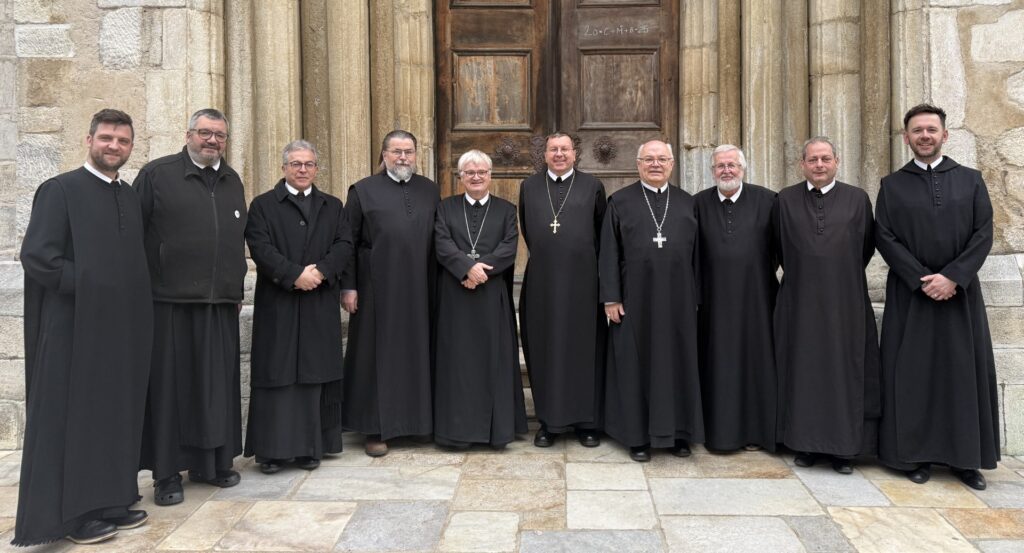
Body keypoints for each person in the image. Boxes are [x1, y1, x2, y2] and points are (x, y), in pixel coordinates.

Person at [14, 109, 151, 545]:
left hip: (118, 332)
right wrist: (93, 288)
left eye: (123, 141)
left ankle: (111, 498)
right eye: (107, 138)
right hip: (74, 330)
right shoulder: (60, 190)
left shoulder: (127, 196)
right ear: (88, 139)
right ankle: (74, 514)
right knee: (75, 419)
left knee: (112, 415)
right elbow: (38, 257)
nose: (114, 146)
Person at [875, 104, 999, 490]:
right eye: (917, 130)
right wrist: (921, 279)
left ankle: (966, 461)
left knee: (962, 376)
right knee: (912, 376)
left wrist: (953, 278)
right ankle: (915, 455)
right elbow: (885, 236)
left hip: (959, 297)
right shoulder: (891, 185)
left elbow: (984, 233)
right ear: (905, 137)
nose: (924, 135)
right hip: (911, 296)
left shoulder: (971, 180)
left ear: (945, 135)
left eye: (931, 129)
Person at [134, 108, 248, 505]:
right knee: (170, 393)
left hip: (220, 304)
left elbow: (234, 241)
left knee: (215, 389)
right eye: (204, 133)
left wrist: (236, 290)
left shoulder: (232, 180)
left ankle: (211, 463)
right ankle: (167, 474)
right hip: (169, 303)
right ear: (188, 135)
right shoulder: (157, 174)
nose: (212, 140)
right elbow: (134, 235)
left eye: (219, 135)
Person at [243, 140, 353, 473]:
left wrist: (319, 272)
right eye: (295, 164)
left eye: (308, 164)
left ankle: (311, 448)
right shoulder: (263, 205)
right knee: (278, 376)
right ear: (284, 168)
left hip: (318, 302)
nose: (302, 170)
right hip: (280, 302)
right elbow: (259, 246)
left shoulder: (332, 206)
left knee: (313, 375)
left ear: (317, 169)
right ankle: (273, 452)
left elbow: (344, 243)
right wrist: (293, 275)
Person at [772, 136, 880, 474]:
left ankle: (844, 450)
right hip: (799, 302)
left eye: (825, 159)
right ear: (801, 164)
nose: (819, 165)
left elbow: (865, 247)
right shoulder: (785, 200)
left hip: (845, 303)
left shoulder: (858, 199)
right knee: (803, 372)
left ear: (837, 161)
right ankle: (804, 445)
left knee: (843, 371)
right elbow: (777, 247)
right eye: (813, 159)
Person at [600, 140, 704, 462]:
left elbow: (699, 256)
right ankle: (638, 437)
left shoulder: (688, 202)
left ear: (672, 164)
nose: (655, 164)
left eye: (662, 159)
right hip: (634, 300)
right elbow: (608, 253)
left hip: (678, 303)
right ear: (638, 164)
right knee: (636, 366)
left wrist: (697, 297)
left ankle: (678, 433)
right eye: (649, 159)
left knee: (678, 364)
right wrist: (611, 298)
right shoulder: (619, 201)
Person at [341, 130, 440, 457]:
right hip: (375, 290)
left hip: (420, 286)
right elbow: (348, 243)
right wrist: (349, 285)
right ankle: (375, 428)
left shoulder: (429, 189)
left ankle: (417, 424)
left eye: (408, 152)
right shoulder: (362, 191)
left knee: (417, 352)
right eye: (396, 152)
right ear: (383, 155)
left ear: (416, 155)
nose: (402, 158)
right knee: (376, 357)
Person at [518, 133, 607, 448]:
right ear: (544, 155)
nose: (559, 154)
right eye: (553, 149)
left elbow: (600, 233)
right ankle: (549, 423)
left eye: (565, 149)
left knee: (584, 350)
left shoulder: (592, 186)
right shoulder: (529, 187)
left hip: (583, 283)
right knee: (546, 350)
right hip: (543, 282)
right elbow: (529, 231)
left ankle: (587, 422)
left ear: (575, 153)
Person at [433, 150, 526, 449]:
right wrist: (465, 268)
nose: (476, 177)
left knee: (492, 361)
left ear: (490, 175)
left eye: (481, 172)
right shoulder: (445, 208)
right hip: (455, 296)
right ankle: (457, 432)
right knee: (457, 364)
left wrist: (480, 272)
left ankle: (495, 432)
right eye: (470, 172)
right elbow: (441, 242)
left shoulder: (506, 209)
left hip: (491, 295)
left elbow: (509, 246)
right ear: (460, 176)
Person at [694, 144, 779, 452]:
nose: (726, 170)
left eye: (732, 165)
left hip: (757, 300)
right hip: (712, 304)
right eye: (720, 166)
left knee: (754, 366)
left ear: (743, 168)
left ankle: (755, 432)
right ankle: (719, 433)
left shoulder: (768, 201)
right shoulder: (697, 204)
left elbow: (781, 249)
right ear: (712, 171)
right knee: (717, 366)